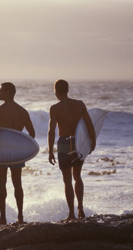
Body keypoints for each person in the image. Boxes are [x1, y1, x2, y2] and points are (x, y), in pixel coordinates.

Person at [0, 82, 35, 225]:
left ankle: (3, 218)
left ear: (8, 92)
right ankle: (20, 217)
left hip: (1, 152)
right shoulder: (23, 111)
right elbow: (32, 134)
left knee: (2, 184)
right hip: (16, 153)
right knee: (18, 184)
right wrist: (23, 149)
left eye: (0, 91)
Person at [48, 79, 96, 221]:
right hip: (78, 142)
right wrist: (92, 142)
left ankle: (71, 214)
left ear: (56, 91)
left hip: (64, 142)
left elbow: (51, 131)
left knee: (67, 180)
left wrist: (50, 151)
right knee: (78, 177)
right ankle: (80, 207)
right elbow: (89, 125)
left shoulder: (55, 108)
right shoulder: (79, 104)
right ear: (68, 90)